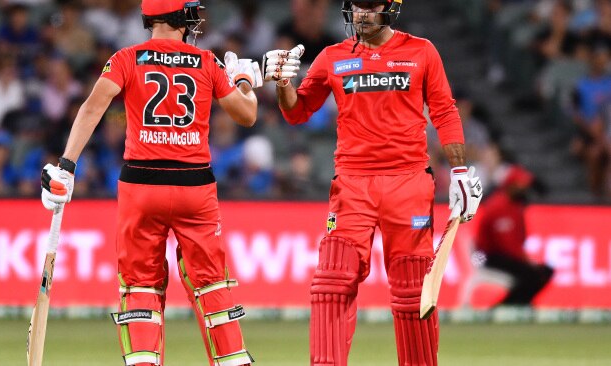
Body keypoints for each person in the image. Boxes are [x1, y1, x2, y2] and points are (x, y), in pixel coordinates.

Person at [38, 1, 262, 365]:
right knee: (211, 284)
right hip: (195, 188)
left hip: (141, 186)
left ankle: (143, 361)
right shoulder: (207, 61)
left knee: (140, 285)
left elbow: (93, 107)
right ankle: (234, 360)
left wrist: (67, 165)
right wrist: (244, 83)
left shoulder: (127, 58)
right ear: (183, 17)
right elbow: (247, 115)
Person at [262, 1, 483, 365]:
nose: (361, 14)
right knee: (331, 283)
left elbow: (444, 111)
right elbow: (298, 111)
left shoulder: (421, 51)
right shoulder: (333, 56)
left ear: (390, 8)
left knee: (413, 292)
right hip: (352, 184)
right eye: (356, 7)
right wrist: (284, 83)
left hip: (408, 183)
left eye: (370, 7)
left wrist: (459, 172)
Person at [475, 165, 554, 306]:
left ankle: (517, 304)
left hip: (508, 256)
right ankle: (507, 306)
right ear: (510, 186)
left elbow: (519, 240)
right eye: (521, 185)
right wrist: (527, 263)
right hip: (488, 257)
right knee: (532, 275)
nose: (524, 188)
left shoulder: (516, 207)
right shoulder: (497, 207)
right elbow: (505, 246)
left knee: (544, 272)